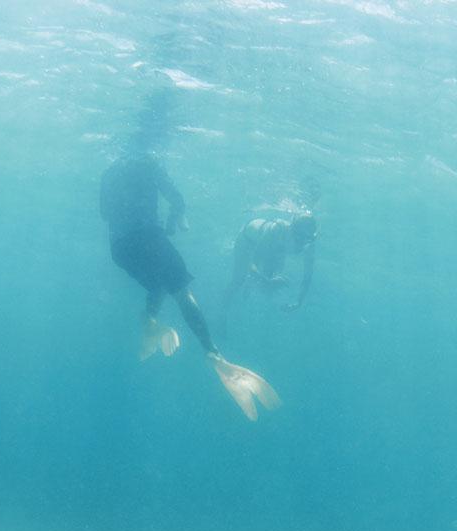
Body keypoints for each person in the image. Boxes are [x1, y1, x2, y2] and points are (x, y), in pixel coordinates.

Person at [99, 150, 280, 420]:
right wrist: (175, 220)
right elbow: (176, 199)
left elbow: (104, 213)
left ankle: (150, 321)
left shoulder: (109, 172)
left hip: (120, 248)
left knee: (157, 286)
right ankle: (213, 354)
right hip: (149, 237)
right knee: (182, 292)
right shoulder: (150, 162)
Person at [218, 211, 318, 330]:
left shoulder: (309, 243)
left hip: (276, 249)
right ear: (292, 228)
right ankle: (222, 312)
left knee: (270, 283)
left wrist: (298, 302)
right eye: (298, 236)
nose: (301, 242)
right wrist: (265, 281)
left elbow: (307, 276)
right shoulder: (276, 230)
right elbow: (251, 264)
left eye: (306, 238)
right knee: (239, 280)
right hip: (248, 241)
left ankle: (250, 289)